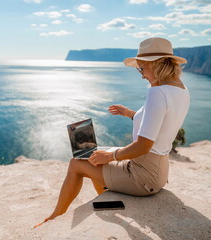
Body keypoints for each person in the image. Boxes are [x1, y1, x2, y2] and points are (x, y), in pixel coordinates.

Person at [34, 37, 190, 228]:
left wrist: (110, 157)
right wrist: (130, 114)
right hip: (158, 170)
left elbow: (143, 146)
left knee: (77, 163)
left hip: (142, 176)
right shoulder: (180, 89)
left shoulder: (156, 92)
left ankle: (55, 216)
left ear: (156, 64)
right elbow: (162, 122)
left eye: (142, 68)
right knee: (91, 152)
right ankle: (106, 198)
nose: (141, 75)